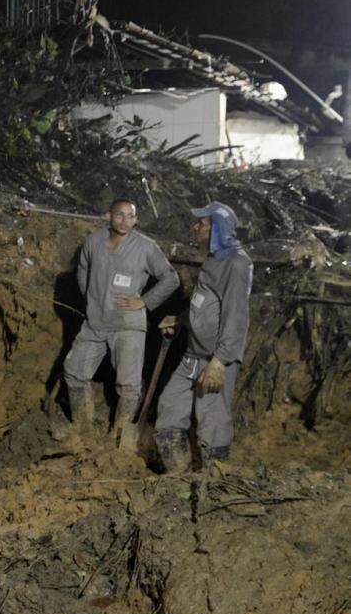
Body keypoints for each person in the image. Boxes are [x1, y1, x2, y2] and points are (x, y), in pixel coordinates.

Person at [59, 198, 179, 449]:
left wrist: (145, 301)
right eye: (119, 215)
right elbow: (83, 272)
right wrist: (93, 300)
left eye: (130, 216)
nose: (125, 221)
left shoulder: (146, 247)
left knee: (128, 384)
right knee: (74, 371)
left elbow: (170, 278)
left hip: (128, 325)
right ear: (108, 216)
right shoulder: (93, 242)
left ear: (136, 220)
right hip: (96, 322)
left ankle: (119, 437)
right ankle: (83, 430)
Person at [155, 201, 253, 473]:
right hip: (192, 354)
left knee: (212, 421)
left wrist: (220, 362)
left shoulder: (236, 263)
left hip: (213, 358)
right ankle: (179, 477)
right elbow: (206, 304)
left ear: (218, 227)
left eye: (202, 222)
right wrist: (181, 319)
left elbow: (236, 316)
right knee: (170, 409)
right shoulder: (214, 257)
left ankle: (213, 483)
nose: (195, 227)